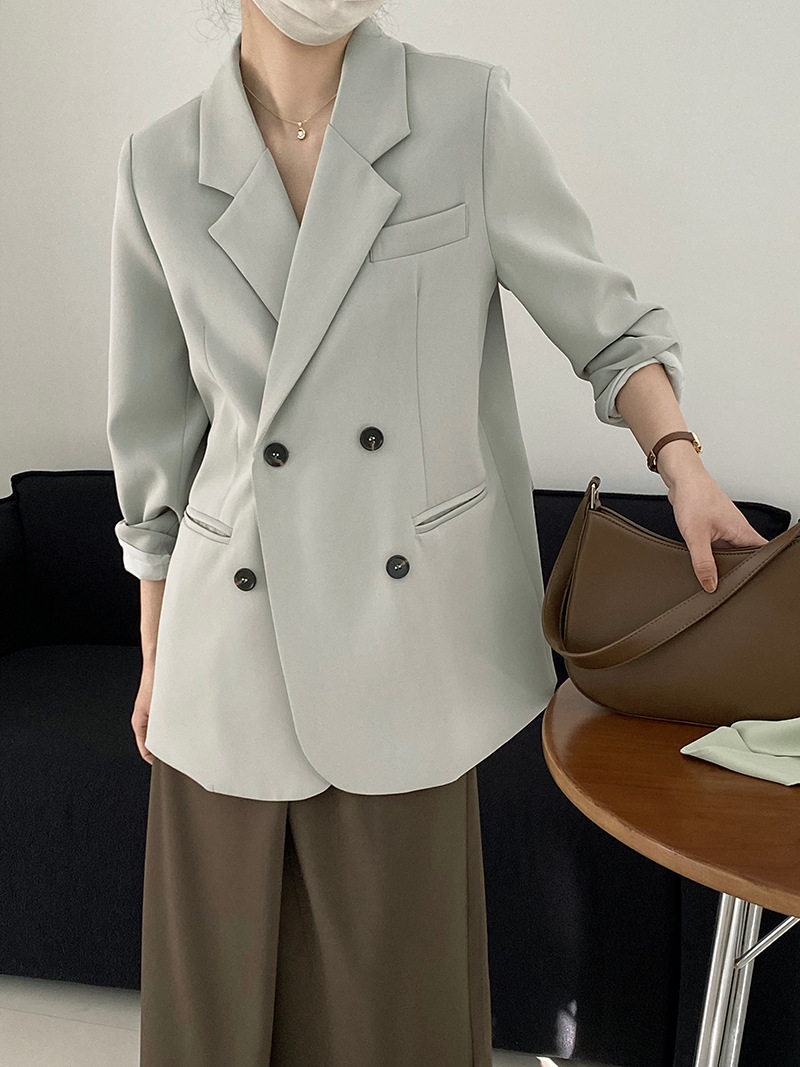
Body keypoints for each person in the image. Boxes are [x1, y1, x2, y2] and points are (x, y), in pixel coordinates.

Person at [106, 2, 768, 1064]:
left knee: (397, 1020)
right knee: (212, 1023)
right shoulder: (158, 165)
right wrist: (155, 653)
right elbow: (155, 442)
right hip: (224, 645)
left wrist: (680, 461)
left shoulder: (463, 112)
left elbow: (604, 324)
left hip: (397, 645)